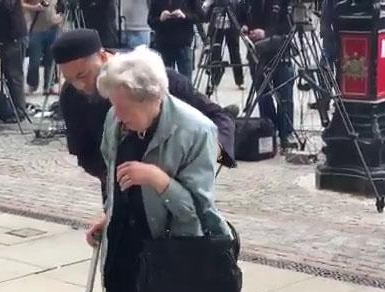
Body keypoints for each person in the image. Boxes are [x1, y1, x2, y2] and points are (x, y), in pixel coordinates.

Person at [85, 46, 229, 292]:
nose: (118, 117)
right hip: (123, 250)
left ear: (152, 98)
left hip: (165, 258)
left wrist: (157, 180)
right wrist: (109, 215)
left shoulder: (196, 131)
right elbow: (114, 181)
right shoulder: (116, 119)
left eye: (124, 109)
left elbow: (197, 216)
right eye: (115, 107)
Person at [52, 29, 235, 198]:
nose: (80, 85)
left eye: (83, 75)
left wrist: (206, 155)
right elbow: (83, 151)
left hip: (172, 192)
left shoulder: (150, 77)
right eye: (70, 79)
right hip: (121, 193)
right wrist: (112, 174)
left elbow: (217, 118)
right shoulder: (71, 95)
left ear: (102, 56)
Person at [239, 0, 295, 148]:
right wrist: (243, 26)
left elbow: (290, 26)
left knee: (284, 97)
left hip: (279, 53)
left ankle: (285, 135)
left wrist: (266, 34)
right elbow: (240, 14)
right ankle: (269, 132)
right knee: (263, 96)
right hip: (256, 55)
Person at [148, 0, 204, 78]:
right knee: (164, 79)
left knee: (186, 79)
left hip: (183, 44)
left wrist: (184, 16)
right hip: (163, 44)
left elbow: (201, 17)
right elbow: (150, 21)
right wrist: (160, 18)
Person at [23, 0, 62, 95]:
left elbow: (62, 6)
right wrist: (35, 8)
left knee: (51, 59)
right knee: (34, 60)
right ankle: (32, 84)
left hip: (53, 28)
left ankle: (49, 85)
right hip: (36, 29)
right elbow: (20, 4)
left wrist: (60, 17)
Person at [203, 0, 244, 89]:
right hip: (217, 28)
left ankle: (239, 81)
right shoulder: (214, 3)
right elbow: (206, 17)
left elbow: (239, 14)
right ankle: (214, 81)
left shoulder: (233, 2)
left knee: (235, 54)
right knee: (215, 54)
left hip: (231, 28)